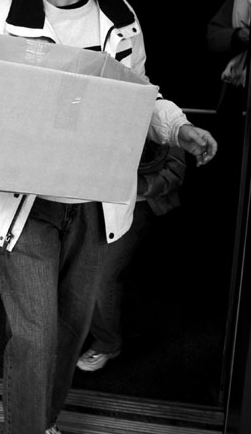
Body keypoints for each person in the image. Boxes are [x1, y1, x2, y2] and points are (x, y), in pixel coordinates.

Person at [0, 0, 218, 434]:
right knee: (36, 334)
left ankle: (44, 422)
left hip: (94, 201)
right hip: (25, 203)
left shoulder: (121, 19)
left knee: (73, 328)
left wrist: (179, 127)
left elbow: (141, 92)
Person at [75, 138, 186, 373]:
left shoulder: (160, 112)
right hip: (91, 201)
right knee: (82, 264)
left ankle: (107, 343)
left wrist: (135, 185)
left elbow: (174, 172)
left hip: (138, 204)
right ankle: (121, 323)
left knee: (102, 276)